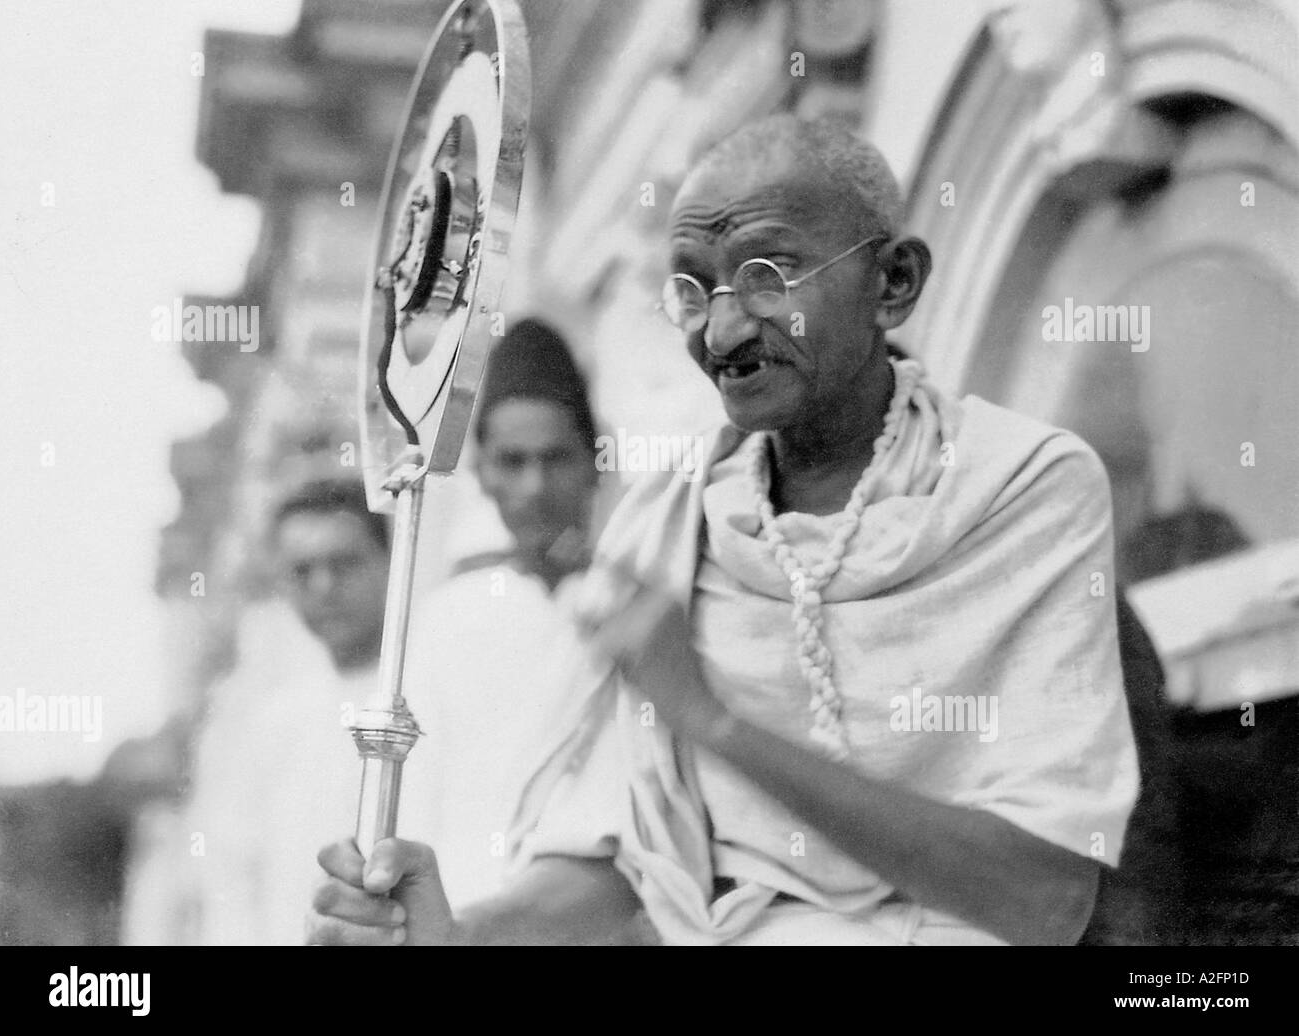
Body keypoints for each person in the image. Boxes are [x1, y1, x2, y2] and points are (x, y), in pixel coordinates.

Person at [307, 114, 1139, 946]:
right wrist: (452, 936)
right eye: (694, 289)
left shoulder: (1022, 486)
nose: (723, 329)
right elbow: (631, 866)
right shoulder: (668, 526)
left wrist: (712, 719)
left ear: (893, 282)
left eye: (769, 274)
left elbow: (1043, 895)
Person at [400, 318, 612, 910]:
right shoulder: (449, 620)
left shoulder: (638, 607)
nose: (536, 485)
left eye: (556, 458)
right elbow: (417, 802)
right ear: (482, 473)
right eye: (512, 461)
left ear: (595, 461)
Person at [185, 477, 404, 945]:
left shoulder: (427, 696)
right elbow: (233, 887)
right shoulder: (266, 726)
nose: (324, 587)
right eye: (303, 571)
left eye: (343, 564)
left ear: (390, 563)